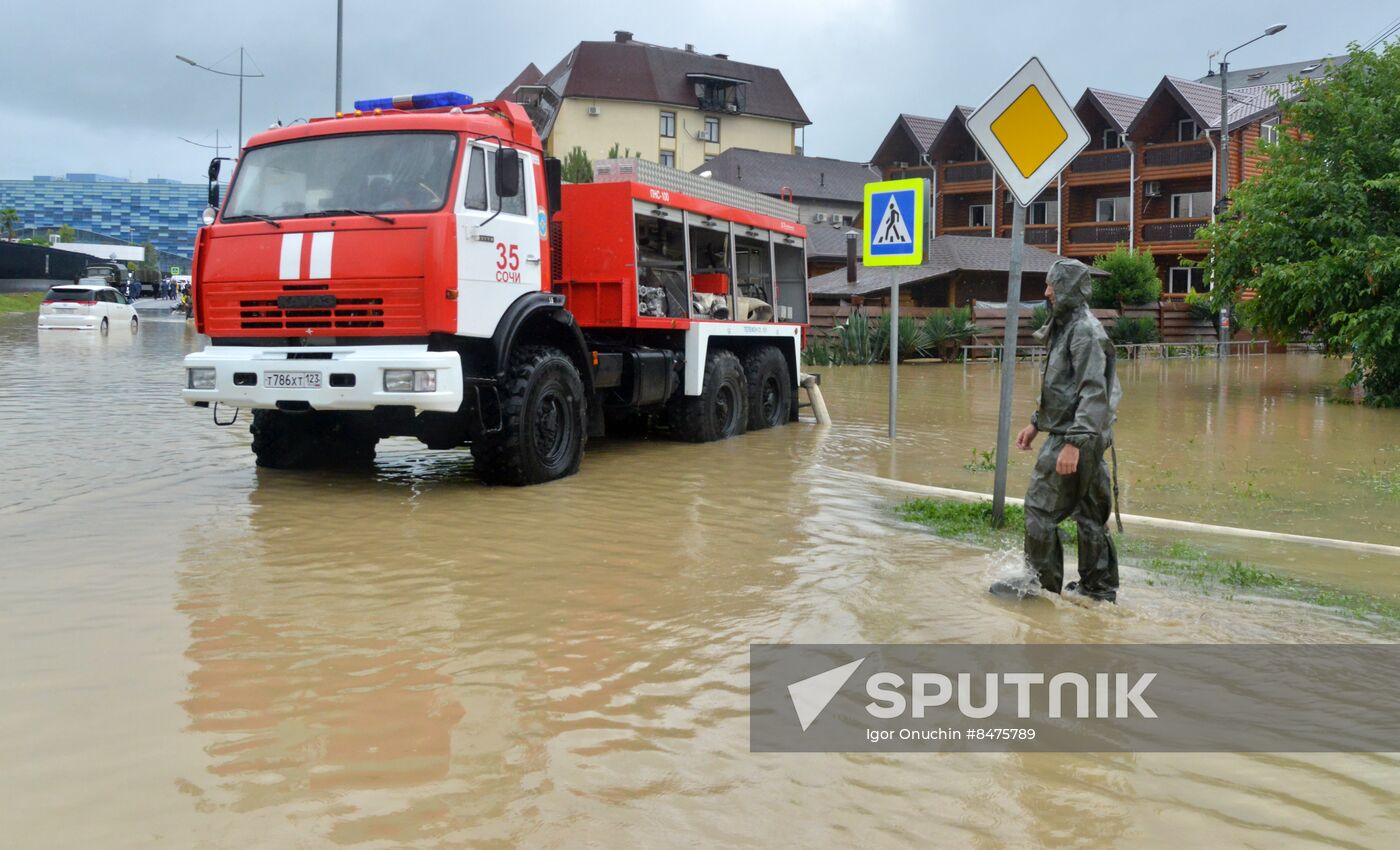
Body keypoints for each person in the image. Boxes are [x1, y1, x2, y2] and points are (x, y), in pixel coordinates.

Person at [993, 259, 1121, 603]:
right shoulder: (1068, 327)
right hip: (1083, 433)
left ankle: (1038, 585)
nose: (1046, 291)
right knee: (1092, 511)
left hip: (1076, 435)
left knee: (1039, 508)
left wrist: (1073, 444)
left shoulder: (1085, 332)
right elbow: (1062, 387)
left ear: (1068, 289)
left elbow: (1094, 391)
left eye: (1052, 285)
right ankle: (1098, 590)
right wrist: (1036, 423)